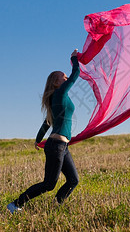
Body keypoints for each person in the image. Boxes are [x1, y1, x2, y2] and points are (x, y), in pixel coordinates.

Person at [7, 49, 80, 214]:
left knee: (73, 180)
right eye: (64, 76)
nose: (67, 78)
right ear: (56, 82)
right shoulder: (60, 93)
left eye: (66, 76)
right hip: (56, 146)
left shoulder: (59, 97)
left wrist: (37, 139)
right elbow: (75, 74)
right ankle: (15, 204)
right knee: (49, 184)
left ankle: (56, 207)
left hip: (62, 146)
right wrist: (75, 59)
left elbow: (47, 123)